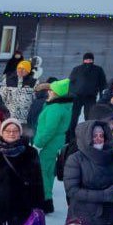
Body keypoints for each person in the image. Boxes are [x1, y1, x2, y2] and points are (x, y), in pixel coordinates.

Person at [32, 79, 74, 212]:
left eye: (51, 90)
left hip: (48, 144)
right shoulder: (62, 106)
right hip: (55, 143)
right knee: (48, 172)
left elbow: (48, 130)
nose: (48, 92)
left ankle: (44, 201)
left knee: (43, 172)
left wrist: (38, 144)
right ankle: (46, 200)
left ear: (56, 93)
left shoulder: (55, 108)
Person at [67, 52, 106, 140]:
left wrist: (102, 96)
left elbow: (102, 83)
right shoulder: (77, 69)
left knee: (89, 116)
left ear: (93, 60)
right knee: (74, 117)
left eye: (90, 59)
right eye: (87, 59)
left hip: (89, 97)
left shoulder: (98, 70)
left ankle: (88, 135)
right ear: (83, 60)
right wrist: (71, 94)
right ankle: (71, 136)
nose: (88, 61)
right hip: (78, 97)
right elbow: (71, 82)